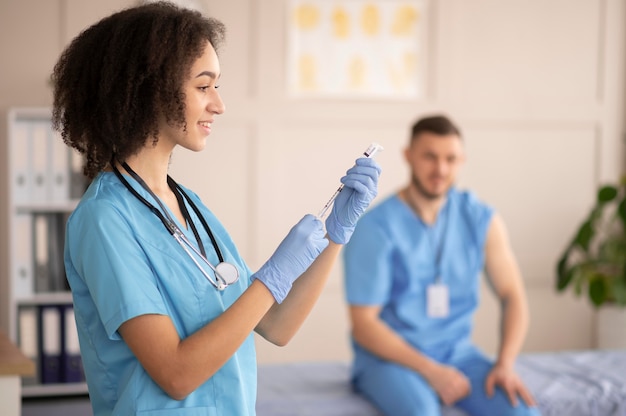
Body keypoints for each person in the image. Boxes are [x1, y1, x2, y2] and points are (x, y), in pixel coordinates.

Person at [51, 2, 381, 415]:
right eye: (203, 86)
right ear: (150, 90)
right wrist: (273, 277)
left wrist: (335, 233)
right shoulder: (104, 220)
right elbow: (175, 373)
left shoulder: (190, 206)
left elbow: (276, 326)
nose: (219, 105)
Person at [343, 114, 540, 416]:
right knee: (422, 411)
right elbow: (364, 326)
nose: (441, 169)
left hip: (458, 355)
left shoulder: (480, 219)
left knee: (521, 411)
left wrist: (505, 364)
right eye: (430, 157)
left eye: (451, 158)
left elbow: (513, 294)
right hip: (391, 360)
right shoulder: (375, 228)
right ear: (408, 156)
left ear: (462, 160)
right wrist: (430, 371)